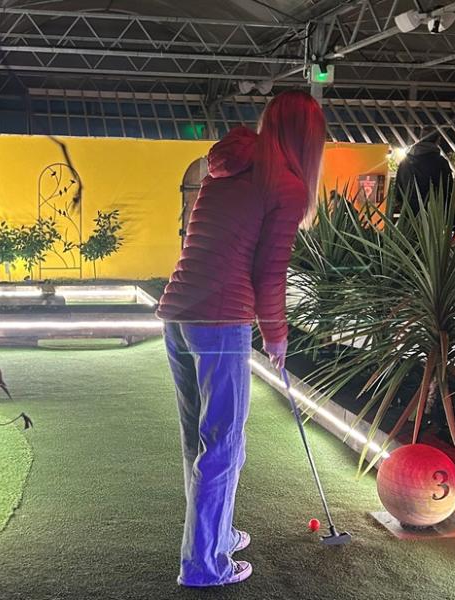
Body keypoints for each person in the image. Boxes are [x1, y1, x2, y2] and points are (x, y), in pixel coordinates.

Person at [156, 90, 326, 587]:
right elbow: (269, 276)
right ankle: (205, 565)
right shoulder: (287, 186)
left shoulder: (225, 167)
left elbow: (201, 241)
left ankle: (217, 536)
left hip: (178, 312)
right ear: (308, 139)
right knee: (224, 445)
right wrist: (276, 336)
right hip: (220, 321)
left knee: (202, 442)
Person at [392, 129, 455, 219]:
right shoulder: (440, 163)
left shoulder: (405, 162)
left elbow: (398, 190)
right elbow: (447, 192)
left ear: (421, 138)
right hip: (433, 218)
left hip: (409, 217)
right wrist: (454, 221)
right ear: (438, 140)